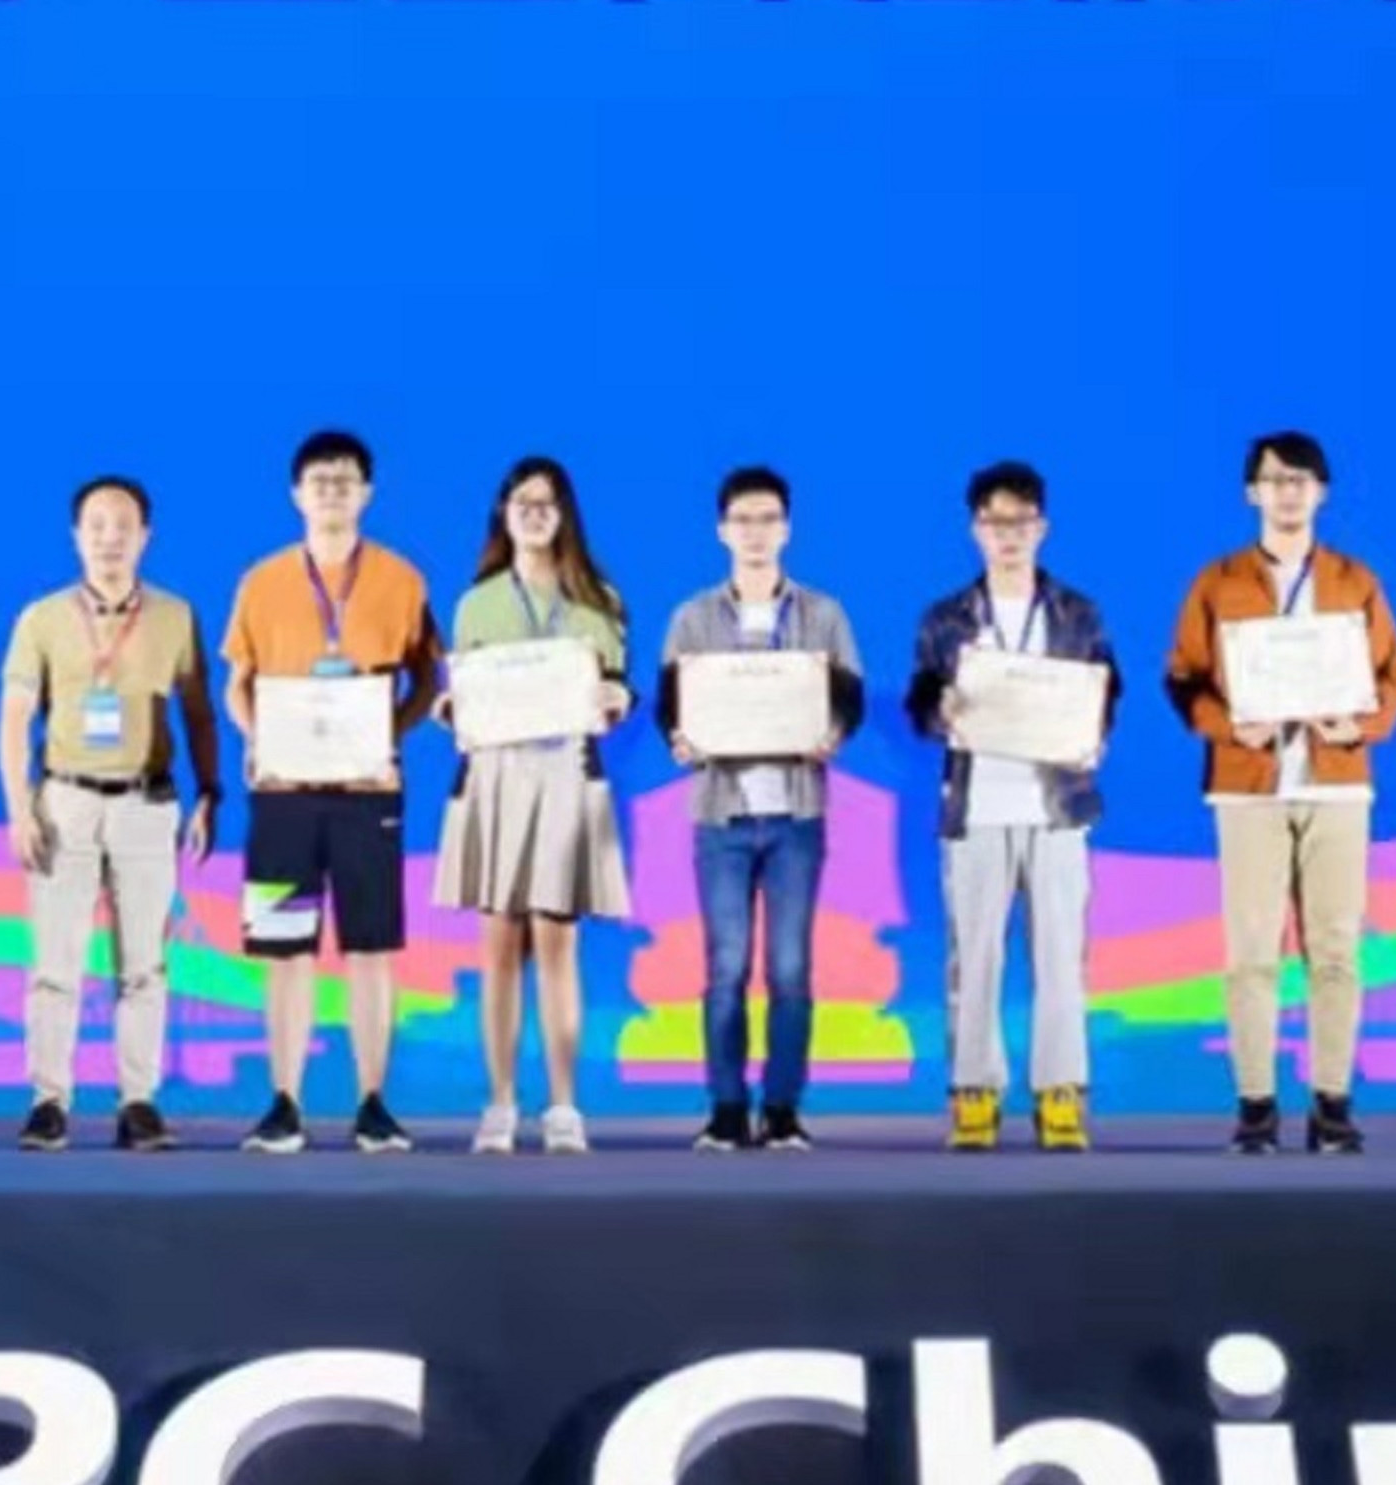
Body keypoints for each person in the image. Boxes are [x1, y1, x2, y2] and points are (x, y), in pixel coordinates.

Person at [1162, 430, 1396, 1155]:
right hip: (1248, 788)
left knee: (1335, 951)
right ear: (1253, 493)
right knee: (1251, 953)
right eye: (1275, 480)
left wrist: (1358, 724)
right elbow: (1182, 677)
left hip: (1337, 784)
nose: (1288, 492)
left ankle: (1332, 1105)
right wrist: (1230, 727)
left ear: (1321, 493)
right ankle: (1256, 1108)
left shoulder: (1354, 581)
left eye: (1301, 480)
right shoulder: (1219, 581)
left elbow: (1395, 674)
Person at [222, 430, 441, 1154]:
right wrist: (258, 739)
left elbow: (429, 679)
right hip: (283, 793)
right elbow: (237, 684)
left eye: (345, 481)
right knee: (286, 950)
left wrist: (388, 736)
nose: (332, 492)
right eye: (319, 481)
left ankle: (373, 1103)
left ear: (367, 493)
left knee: (372, 947)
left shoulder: (402, 579)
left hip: (367, 792)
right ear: (297, 494)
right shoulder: (261, 581)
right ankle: (284, 1102)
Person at [0, 475, 220, 1151]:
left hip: (147, 802)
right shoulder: (40, 618)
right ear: (76, 536)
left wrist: (211, 791)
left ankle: (138, 1102)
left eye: (123, 525)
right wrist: (19, 809)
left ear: (145, 535)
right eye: (96, 525)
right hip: (65, 800)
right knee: (55, 962)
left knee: (145, 963)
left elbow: (199, 713)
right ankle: (49, 1100)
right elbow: (14, 718)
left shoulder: (176, 615)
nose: (109, 538)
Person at [902, 460, 1119, 1153]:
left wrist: (1094, 736)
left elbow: (1105, 691)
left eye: (1020, 521)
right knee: (974, 958)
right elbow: (918, 701)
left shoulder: (1077, 612)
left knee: (1061, 958)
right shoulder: (946, 618)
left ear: (1041, 527)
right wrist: (938, 707)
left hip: (1057, 804)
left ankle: (1061, 1095)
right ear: (976, 529)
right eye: (995, 522)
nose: (1008, 534)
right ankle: (975, 1093)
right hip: (975, 804)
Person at [433, 456, 638, 1153]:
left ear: (564, 515)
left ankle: (563, 1104)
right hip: (494, 776)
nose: (534, 514)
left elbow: (618, 689)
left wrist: (619, 697)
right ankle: (499, 1103)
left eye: (547, 503)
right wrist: (451, 709)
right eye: (522, 502)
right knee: (497, 945)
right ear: (504, 513)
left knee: (557, 941)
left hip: (566, 772)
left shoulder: (599, 601)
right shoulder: (477, 603)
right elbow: (465, 693)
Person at [656, 465, 864, 1152]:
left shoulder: (823, 615)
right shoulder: (691, 618)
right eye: (743, 519)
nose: (755, 532)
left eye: (768, 518)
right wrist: (679, 738)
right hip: (722, 815)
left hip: (796, 814)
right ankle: (725, 1109)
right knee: (725, 969)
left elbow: (849, 699)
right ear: (722, 530)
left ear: (787, 529)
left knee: (790, 970)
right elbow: (671, 706)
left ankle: (781, 1110)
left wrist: (834, 732)